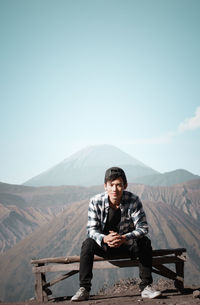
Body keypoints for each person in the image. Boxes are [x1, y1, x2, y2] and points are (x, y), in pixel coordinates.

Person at [71, 167, 161, 301]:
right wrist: (105, 239)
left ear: (125, 185)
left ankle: (146, 287)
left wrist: (124, 238)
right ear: (105, 186)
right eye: (111, 185)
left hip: (127, 245)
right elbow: (91, 230)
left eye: (119, 185)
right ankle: (84, 289)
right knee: (87, 244)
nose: (115, 189)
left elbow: (143, 228)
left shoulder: (133, 200)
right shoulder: (96, 201)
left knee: (145, 242)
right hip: (105, 246)